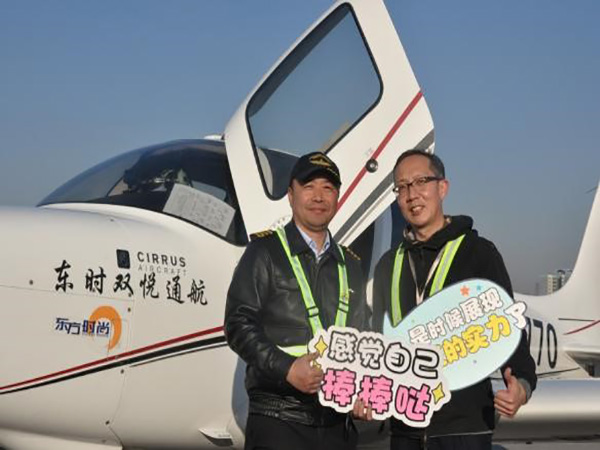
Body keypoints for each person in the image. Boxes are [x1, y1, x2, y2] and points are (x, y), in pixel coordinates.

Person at [372, 150, 537, 450]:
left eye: (421, 181)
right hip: (404, 430)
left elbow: (511, 332)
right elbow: (378, 341)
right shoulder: (387, 265)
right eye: (402, 186)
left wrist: (522, 387)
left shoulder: (479, 253)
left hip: (465, 430)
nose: (412, 194)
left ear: (443, 187)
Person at [225, 152, 371, 450]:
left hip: (337, 427)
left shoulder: (350, 264)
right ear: (291, 195)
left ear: (338, 197)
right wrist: (287, 368)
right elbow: (238, 323)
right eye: (309, 186)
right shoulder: (264, 252)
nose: (318, 196)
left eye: (328, 188)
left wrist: (363, 388)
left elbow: (361, 337)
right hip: (280, 419)